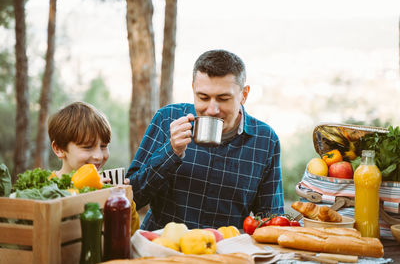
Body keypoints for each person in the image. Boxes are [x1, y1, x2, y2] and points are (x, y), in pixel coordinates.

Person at [127, 49, 284, 231]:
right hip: (162, 248)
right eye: (203, 97)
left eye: (223, 98)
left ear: (244, 95)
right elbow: (132, 198)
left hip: (224, 253)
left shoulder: (265, 140)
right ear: (193, 88)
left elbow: (270, 218)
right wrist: (171, 151)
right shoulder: (167, 119)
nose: (212, 109)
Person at [48, 101, 140, 234]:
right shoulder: (47, 188)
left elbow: (132, 233)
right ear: (59, 149)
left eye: (103, 146)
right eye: (87, 147)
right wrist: (84, 193)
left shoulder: (108, 185)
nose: (98, 156)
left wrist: (125, 202)